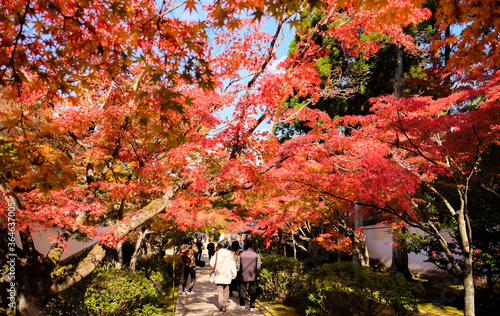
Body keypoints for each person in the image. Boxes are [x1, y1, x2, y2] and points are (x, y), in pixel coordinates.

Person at [210, 240, 237, 312]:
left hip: (219, 274)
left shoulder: (217, 253)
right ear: (227, 246)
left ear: (220, 246)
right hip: (227, 275)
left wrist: (215, 268)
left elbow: (212, 263)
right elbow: (233, 265)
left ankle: (221, 306)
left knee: (220, 291)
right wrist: (234, 274)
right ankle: (224, 305)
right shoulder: (231, 254)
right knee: (226, 291)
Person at [236, 238, 261, 311]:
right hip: (252, 275)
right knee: (252, 290)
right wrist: (256, 271)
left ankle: (242, 304)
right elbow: (258, 265)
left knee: (242, 289)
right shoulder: (256, 254)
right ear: (252, 244)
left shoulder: (241, 253)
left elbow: (237, 265)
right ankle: (252, 306)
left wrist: (238, 271)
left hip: (242, 274)